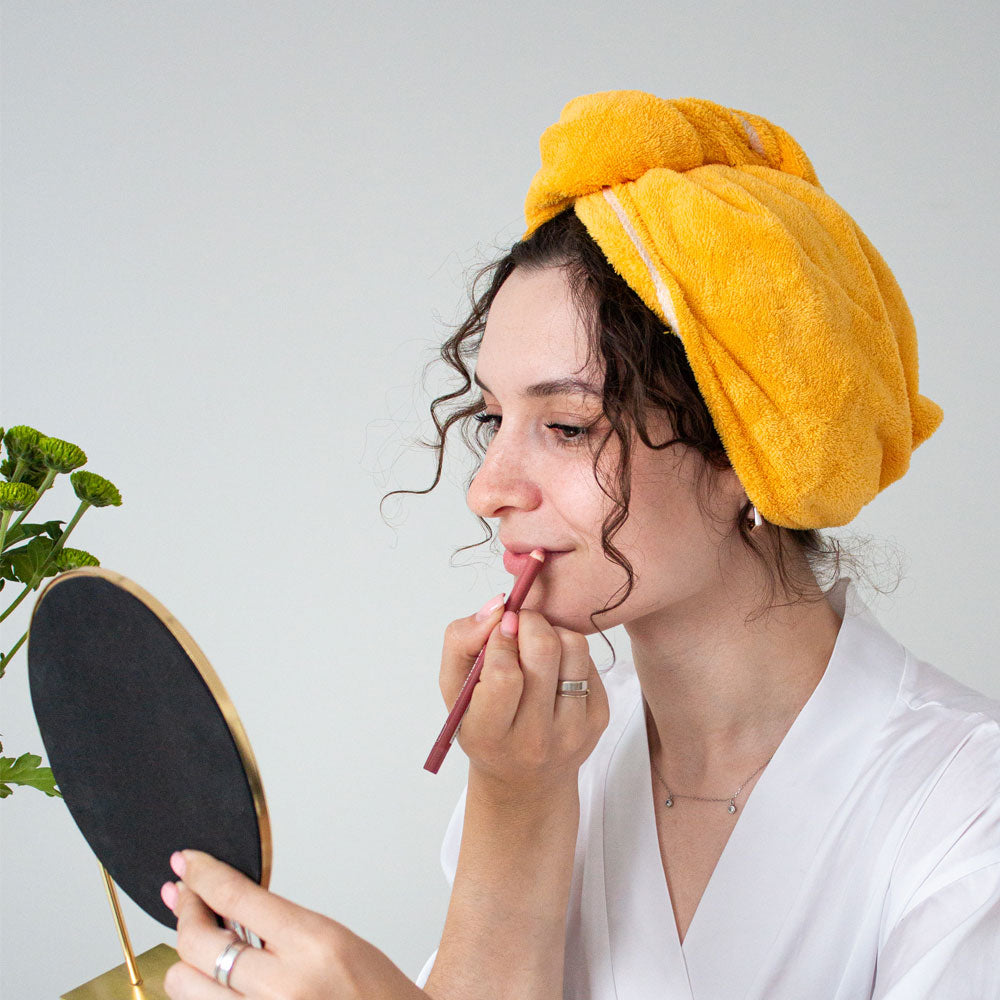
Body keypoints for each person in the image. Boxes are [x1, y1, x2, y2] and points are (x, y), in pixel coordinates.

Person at [159, 93, 1000, 1000]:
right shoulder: (558, 757)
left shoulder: (965, 816)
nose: (488, 490)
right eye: (492, 419)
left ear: (751, 453)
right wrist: (513, 797)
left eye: (566, 425)